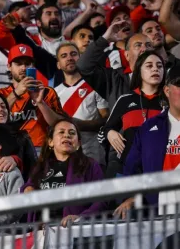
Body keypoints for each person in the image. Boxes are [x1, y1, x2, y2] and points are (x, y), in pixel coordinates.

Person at [115, 65, 180, 218]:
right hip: (159, 212)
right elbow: (133, 167)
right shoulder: (148, 128)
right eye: (179, 85)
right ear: (167, 91)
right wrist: (131, 197)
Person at [22, 119, 106, 227]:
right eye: (61, 132)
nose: (67, 135)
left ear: (78, 144)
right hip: (40, 233)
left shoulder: (90, 165)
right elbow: (28, 188)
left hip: (73, 231)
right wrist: (27, 188)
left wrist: (80, 218)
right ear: (50, 142)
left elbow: (102, 200)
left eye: (72, 133)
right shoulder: (40, 167)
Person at [99, 51, 165, 178]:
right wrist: (109, 133)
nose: (155, 69)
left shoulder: (170, 101)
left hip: (161, 168)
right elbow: (105, 130)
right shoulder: (126, 100)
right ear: (139, 71)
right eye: (149, 66)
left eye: (159, 66)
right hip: (127, 168)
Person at [0, 44, 64, 155]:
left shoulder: (46, 92)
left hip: (40, 148)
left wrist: (40, 103)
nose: (23, 68)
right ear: (9, 66)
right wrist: (16, 93)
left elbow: (58, 124)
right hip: (9, 149)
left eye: (27, 64)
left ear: (33, 66)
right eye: (18, 64)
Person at [54, 42, 109, 166]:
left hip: (93, 154)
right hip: (64, 155)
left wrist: (80, 125)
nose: (69, 58)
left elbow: (107, 120)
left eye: (73, 54)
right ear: (58, 65)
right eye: (64, 56)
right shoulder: (54, 93)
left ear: (80, 58)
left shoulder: (95, 86)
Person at [77, 22, 154, 109]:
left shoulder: (163, 76)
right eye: (138, 45)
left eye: (148, 45)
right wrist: (105, 39)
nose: (144, 49)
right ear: (127, 55)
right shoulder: (114, 79)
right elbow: (83, 66)